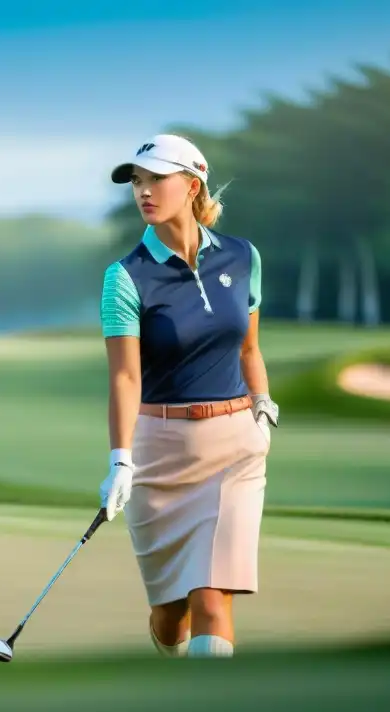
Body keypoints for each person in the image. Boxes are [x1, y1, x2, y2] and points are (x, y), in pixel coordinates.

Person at [98, 134, 279, 659]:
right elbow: (125, 379)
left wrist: (261, 403)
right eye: (137, 181)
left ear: (192, 184)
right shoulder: (126, 277)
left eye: (157, 179)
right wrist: (120, 461)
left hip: (235, 450)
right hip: (160, 453)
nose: (144, 191)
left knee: (212, 596)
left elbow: (249, 347)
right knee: (171, 614)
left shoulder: (243, 257)